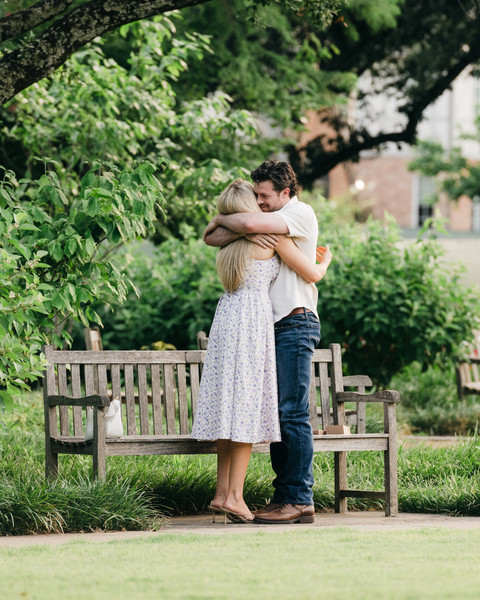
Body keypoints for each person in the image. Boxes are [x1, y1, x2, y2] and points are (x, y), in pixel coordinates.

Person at [192, 177, 331, 524]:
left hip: (229, 318)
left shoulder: (235, 242)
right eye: (255, 199)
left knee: (236, 409)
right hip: (254, 322)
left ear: (285, 192)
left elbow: (211, 234)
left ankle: (227, 494)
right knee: (245, 410)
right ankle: (238, 497)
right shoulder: (269, 238)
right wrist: (326, 263)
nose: (261, 203)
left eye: (264, 196)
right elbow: (312, 272)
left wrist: (222, 218)